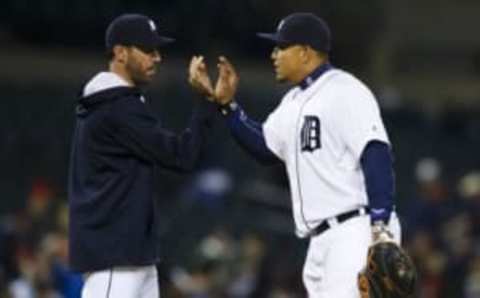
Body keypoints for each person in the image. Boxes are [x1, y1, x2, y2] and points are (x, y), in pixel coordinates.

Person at [195, 12, 402, 298]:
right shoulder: (293, 102)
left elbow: (375, 151)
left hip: (354, 230)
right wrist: (228, 107)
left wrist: (380, 227)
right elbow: (265, 147)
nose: (273, 55)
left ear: (305, 52)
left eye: (282, 47)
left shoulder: (346, 90)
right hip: (320, 241)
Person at [68, 13, 215, 298]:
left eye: (157, 50)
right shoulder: (117, 107)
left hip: (132, 257)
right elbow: (181, 155)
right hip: (114, 260)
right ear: (120, 53)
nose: (157, 57)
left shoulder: (115, 103)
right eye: (148, 50)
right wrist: (205, 102)